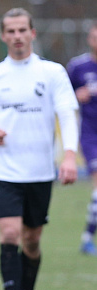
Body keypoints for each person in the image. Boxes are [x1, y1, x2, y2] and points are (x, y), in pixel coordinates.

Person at [0, 8, 79, 290]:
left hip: (40, 172)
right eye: (10, 31)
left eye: (22, 30)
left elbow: (67, 114)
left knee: (31, 240)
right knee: (10, 232)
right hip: (3, 171)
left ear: (32, 33)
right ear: (2, 36)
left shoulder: (52, 73)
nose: (16, 36)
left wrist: (69, 156)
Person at [67, 21, 97, 256]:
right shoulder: (78, 67)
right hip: (90, 134)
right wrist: (76, 96)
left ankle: (87, 237)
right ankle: (87, 239)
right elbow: (63, 98)